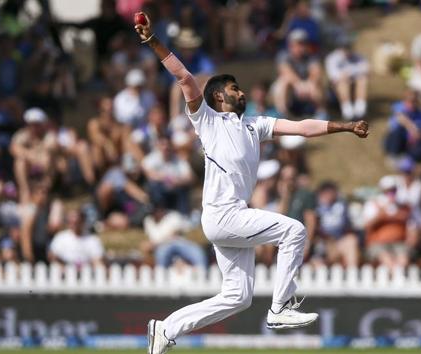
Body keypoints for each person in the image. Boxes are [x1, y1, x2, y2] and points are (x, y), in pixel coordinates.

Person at [134, 12, 369, 354]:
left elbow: (302, 127)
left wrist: (344, 126)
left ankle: (166, 328)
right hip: (223, 214)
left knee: (238, 297)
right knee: (294, 231)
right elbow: (184, 77)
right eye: (234, 89)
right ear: (218, 97)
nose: (241, 92)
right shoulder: (207, 120)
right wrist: (152, 40)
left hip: (231, 217)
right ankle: (281, 308)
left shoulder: (255, 125)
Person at [362, 175, 417, 267]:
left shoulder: (405, 207)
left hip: (400, 244)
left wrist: (411, 240)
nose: (391, 193)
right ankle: (398, 277)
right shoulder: (373, 205)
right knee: (386, 259)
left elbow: (412, 228)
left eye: (393, 190)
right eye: (388, 191)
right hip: (378, 244)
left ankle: (398, 277)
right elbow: (367, 226)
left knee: (403, 259)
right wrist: (380, 216)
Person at [272, 29, 327, 119]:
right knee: (283, 81)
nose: (302, 47)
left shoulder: (311, 56)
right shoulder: (283, 55)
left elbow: (316, 71)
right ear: (291, 45)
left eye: (304, 43)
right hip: (292, 89)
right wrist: (298, 84)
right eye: (299, 44)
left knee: (316, 82)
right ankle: (282, 113)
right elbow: (286, 71)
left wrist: (309, 83)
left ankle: (321, 112)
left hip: (307, 88)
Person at [325, 36, 369, 120]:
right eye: (345, 47)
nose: (347, 50)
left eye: (348, 47)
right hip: (336, 90)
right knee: (343, 82)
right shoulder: (332, 58)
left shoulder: (357, 56)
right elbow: (333, 76)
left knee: (362, 79)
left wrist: (350, 74)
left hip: (353, 85)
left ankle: (360, 110)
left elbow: (366, 69)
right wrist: (348, 75)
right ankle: (348, 111)